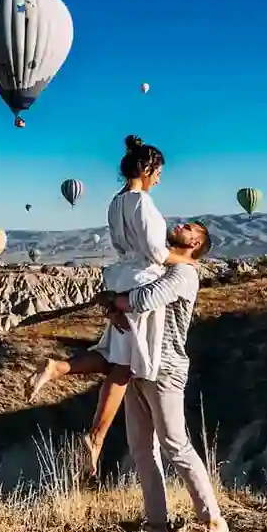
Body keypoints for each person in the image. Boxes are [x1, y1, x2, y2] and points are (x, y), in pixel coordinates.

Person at [26, 135, 173, 471]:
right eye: (159, 172)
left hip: (121, 277)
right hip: (142, 284)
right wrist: (184, 260)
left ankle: (58, 368)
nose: (160, 179)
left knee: (115, 358)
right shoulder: (142, 203)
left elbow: (124, 247)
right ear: (148, 168)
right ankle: (96, 437)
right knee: (127, 366)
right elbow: (156, 251)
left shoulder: (115, 202)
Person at [109, 221, 228, 532]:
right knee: (141, 448)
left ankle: (213, 521)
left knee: (176, 445)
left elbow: (145, 299)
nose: (179, 224)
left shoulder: (186, 274)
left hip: (165, 369)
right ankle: (156, 527)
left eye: (189, 227)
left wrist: (115, 300)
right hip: (138, 363)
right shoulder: (158, 267)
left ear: (196, 243)